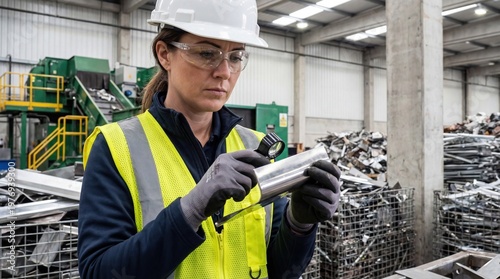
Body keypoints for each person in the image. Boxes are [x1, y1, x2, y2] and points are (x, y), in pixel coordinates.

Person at [77, 0, 341, 278]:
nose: (224, 72)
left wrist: (298, 225)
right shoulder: (117, 147)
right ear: (164, 54)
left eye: (236, 56)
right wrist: (190, 211)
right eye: (206, 53)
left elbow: (278, 271)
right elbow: (98, 272)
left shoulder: (256, 147)